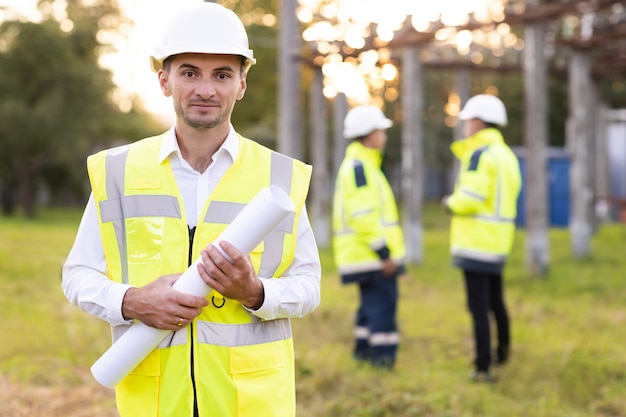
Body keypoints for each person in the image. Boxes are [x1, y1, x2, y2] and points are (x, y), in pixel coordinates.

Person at [61, 3, 321, 417]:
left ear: (242, 83)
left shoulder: (279, 178)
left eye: (222, 74)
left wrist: (254, 292)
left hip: (249, 401)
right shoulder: (118, 172)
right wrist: (131, 301)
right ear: (164, 80)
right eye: (189, 73)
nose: (205, 90)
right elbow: (78, 275)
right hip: (157, 399)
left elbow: (308, 285)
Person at [441, 94, 522, 383]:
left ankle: (483, 368)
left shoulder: (479, 154)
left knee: (478, 309)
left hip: (476, 243)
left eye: (467, 121)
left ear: (479, 121)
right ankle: (502, 354)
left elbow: (472, 198)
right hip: (499, 242)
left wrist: (449, 203)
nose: (465, 127)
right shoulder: (507, 155)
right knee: (496, 303)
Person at [332, 105, 406, 369]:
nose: (384, 137)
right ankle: (381, 363)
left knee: (369, 308)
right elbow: (362, 216)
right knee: (383, 307)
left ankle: (362, 355)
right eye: (380, 131)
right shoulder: (360, 168)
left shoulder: (362, 165)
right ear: (369, 134)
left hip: (365, 255)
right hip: (372, 256)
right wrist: (384, 253)